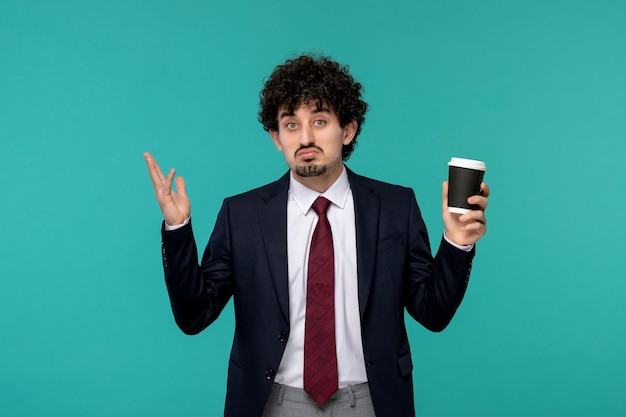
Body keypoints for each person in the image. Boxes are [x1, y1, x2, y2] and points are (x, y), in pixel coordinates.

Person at [144, 54, 489, 417]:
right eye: (291, 125)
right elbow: (194, 316)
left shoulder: (395, 206)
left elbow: (432, 313)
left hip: (372, 401)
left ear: (348, 130)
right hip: (273, 403)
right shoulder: (241, 214)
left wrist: (457, 242)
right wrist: (178, 229)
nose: (305, 137)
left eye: (320, 121)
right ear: (276, 137)